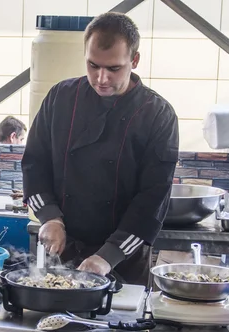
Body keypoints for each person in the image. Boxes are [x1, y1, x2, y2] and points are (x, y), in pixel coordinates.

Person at [22, 13, 179, 286]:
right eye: (93, 65)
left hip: (123, 259)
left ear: (135, 60)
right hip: (62, 249)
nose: (101, 78)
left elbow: (152, 201)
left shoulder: (157, 115)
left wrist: (108, 255)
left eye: (114, 68)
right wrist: (49, 217)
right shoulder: (60, 98)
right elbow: (34, 165)